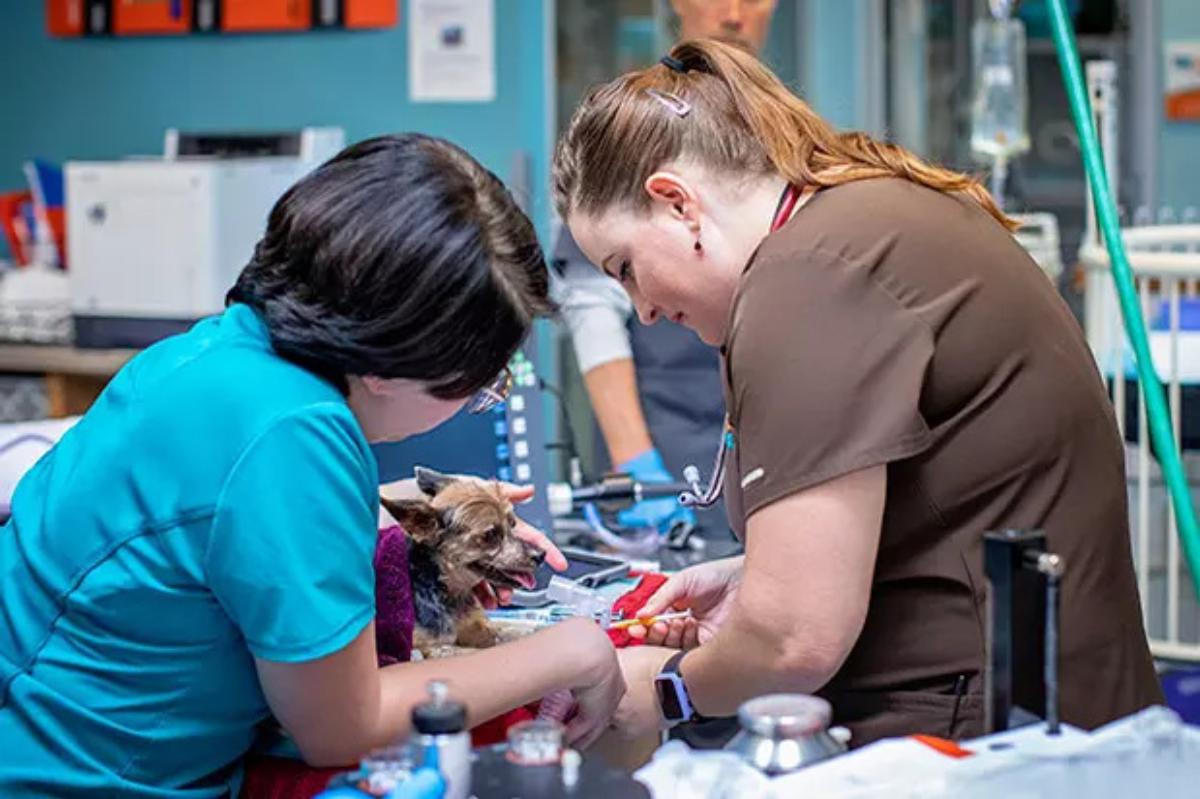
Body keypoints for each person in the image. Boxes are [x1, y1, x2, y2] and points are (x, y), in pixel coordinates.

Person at [553, 40, 1164, 746]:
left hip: (981, 733)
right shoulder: (868, 216)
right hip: (1052, 697)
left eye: (626, 267)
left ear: (677, 203)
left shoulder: (806, 280)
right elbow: (945, 494)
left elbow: (794, 640)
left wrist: (664, 685)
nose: (644, 310)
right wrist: (759, 575)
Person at [0, 134, 624, 798]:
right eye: (479, 385)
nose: (478, 398)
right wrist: (570, 650)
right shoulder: (298, 433)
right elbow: (344, 724)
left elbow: (225, 528)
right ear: (389, 363)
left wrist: (434, 516)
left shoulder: (221, 350)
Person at [554, 0, 777, 534]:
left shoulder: (781, 131)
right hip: (670, 447)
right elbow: (593, 306)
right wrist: (636, 464)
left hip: (770, 435)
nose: (733, 14)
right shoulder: (638, 128)